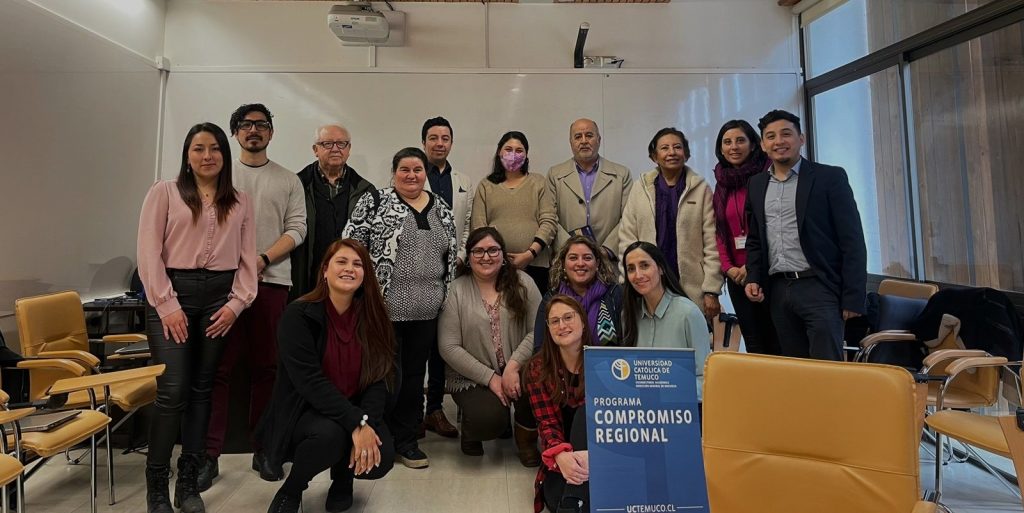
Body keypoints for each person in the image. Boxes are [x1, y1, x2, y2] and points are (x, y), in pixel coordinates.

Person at [137, 122, 257, 513]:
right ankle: (157, 485)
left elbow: (246, 261)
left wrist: (237, 304)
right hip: (172, 294)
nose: (208, 156)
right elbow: (148, 252)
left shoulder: (239, 200)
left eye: (215, 149)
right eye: (199, 149)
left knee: (203, 390)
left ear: (225, 154)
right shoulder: (165, 192)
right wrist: (167, 305)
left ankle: (188, 483)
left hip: (218, 301)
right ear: (187, 156)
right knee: (173, 391)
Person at [202, 104, 306, 490]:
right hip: (220, 286)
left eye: (262, 125)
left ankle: (265, 448)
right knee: (219, 369)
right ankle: (208, 455)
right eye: (246, 125)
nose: (254, 131)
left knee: (268, 368)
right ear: (234, 133)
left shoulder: (288, 180)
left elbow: (297, 230)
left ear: (271, 133)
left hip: (272, 282)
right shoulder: (218, 174)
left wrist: (262, 259)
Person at [259, 239, 396, 513]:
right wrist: (357, 423)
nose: (350, 269)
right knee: (329, 436)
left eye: (358, 264)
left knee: (383, 456)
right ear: (324, 270)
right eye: (341, 262)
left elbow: (378, 377)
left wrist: (366, 423)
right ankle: (292, 490)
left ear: (365, 274)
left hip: (355, 408)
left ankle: (342, 480)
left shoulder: (373, 317)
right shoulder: (298, 315)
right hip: (306, 411)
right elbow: (309, 382)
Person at [343, 147, 458, 469]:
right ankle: (378, 439)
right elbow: (351, 247)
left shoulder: (442, 209)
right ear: (393, 173)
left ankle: (407, 440)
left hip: (427, 312)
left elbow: (450, 258)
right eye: (404, 169)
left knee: (412, 378)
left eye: (417, 170)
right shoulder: (375, 202)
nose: (411, 175)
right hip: (382, 312)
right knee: (382, 376)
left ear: (426, 173)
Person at [744, 109, 867, 361]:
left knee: (826, 368)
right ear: (763, 145)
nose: (779, 141)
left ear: (802, 138)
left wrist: (853, 297)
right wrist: (753, 277)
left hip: (819, 286)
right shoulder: (756, 184)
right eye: (771, 136)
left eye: (786, 134)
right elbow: (756, 238)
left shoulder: (829, 177)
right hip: (778, 289)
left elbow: (852, 240)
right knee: (794, 368)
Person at [437, 227, 542, 464]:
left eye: (493, 250)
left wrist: (514, 365)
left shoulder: (524, 283)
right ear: (469, 255)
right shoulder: (456, 290)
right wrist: (491, 378)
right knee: (490, 420)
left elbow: (538, 330)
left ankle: (526, 441)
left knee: (536, 387)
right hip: (472, 376)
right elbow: (448, 346)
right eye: (479, 251)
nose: (486, 257)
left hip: (519, 367)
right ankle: (474, 432)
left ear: (503, 254)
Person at [619, 127, 723, 320]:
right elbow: (627, 237)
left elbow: (712, 242)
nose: (672, 152)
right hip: (648, 283)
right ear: (654, 156)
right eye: (664, 148)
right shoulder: (639, 188)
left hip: (691, 286)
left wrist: (711, 289)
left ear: (686, 153)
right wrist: (627, 279)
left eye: (677, 147)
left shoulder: (701, 188)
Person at [420, 116, 472, 439]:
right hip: (418, 274)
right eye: (433, 138)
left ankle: (435, 409)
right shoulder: (411, 175)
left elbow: (466, 225)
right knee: (417, 344)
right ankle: (413, 410)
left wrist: (462, 255)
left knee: (443, 341)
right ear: (424, 141)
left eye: (445, 138)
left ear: (452, 142)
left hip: (452, 272)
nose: (440, 143)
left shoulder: (463, 180)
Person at [710, 120, 780, 356]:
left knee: (777, 337)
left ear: (753, 145)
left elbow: (773, 229)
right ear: (720, 148)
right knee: (753, 340)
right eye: (727, 142)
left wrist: (750, 267)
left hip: (768, 272)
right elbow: (719, 232)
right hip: (737, 278)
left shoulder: (769, 177)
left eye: (740, 140)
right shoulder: (722, 185)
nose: (734, 147)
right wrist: (729, 268)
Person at [290, 124, 378, 299]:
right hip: (306, 278)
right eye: (327, 144)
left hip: (349, 280)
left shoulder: (366, 191)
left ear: (349, 149)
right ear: (315, 149)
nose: (335, 149)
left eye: (341, 144)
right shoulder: (296, 185)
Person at [471, 131, 557, 293]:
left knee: (534, 315)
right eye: (508, 149)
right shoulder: (485, 185)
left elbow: (549, 221)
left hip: (535, 265)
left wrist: (530, 253)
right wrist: (496, 256)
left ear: (526, 155)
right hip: (496, 267)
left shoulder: (538, 182)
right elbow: (479, 227)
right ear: (499, 152)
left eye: (519, 151)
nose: (513, 155)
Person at [621, 241, 710, 399]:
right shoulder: (628, 315)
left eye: (644, 265)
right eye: (631, 269)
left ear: (661, 268)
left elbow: (706, 380)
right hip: (640, 414)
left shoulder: (688, 313)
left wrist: (668, 394)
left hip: (682, 412)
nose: (638, 275)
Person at [526, 295, 590, 513]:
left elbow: (613, 419)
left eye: (568, 317)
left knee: (585, 412)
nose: (562, 325)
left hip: (599, 455)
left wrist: (593, 457)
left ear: (582, 320)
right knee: (553, 499)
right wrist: (561, 456)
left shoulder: (604, 361)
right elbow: (546, 423)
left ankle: (573, 501)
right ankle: (574, 501)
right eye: (555, 321)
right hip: (561, 454)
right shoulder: (538, 367)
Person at [547, 118, 632, 261]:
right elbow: (550, 218)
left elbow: (629, 218)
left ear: (599, 139)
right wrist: (571, 251)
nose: (584, 141)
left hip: (609, 261)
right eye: (578, 136)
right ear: (571, 142)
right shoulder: (554, 175)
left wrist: (606, 250)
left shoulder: (622, 175)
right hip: (568, 260)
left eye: (589, 135)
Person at [534, 235, 623, 350]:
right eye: (573, 258)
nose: (580, 263)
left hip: (608, 366)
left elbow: (627, 342)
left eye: (587, 258)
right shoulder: (551, 298)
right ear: (563, 264)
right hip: (561, 367)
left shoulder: (614, 293)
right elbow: (540, 348)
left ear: (597, 264)